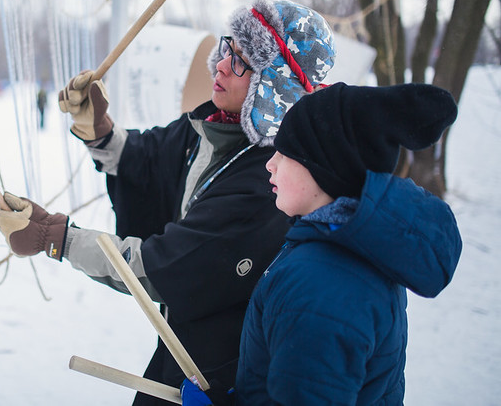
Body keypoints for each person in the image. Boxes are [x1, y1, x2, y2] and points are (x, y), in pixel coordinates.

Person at [0, 0, 336, 404]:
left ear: (272, 90)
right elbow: (149, 159)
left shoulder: (269, 179)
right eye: (228, 47)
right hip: (185, 349)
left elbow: (168, 266)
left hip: (225, 374)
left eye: (243, 62)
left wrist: (57, 237)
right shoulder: (217, 125)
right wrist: (99, 128)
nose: (223, 63)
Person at [181, 82, 462, 405]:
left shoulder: (321, 286)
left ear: (324, 169)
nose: (270, 164)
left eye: (284, 153)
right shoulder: (344, 249)